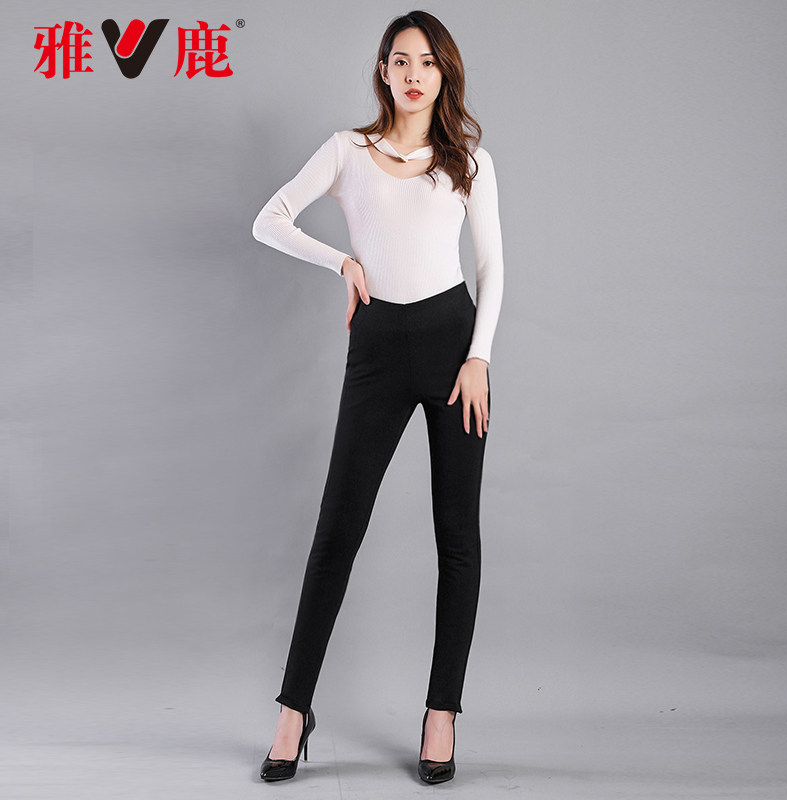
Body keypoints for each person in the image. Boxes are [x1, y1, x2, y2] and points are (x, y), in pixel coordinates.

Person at [251, 10, 503, 785]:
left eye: (427, 61)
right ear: (384, 72)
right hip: (379, 351)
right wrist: (342, 262)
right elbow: (268, 221)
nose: (413, 74)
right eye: (401, 60)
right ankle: (293, 710)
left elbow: (492, 267)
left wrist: (479, 357)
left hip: (453, 348)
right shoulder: (347, 151)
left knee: (457, 536)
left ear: (443, 72)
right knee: (337, 531)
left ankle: (441, 714)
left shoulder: (468, 161)